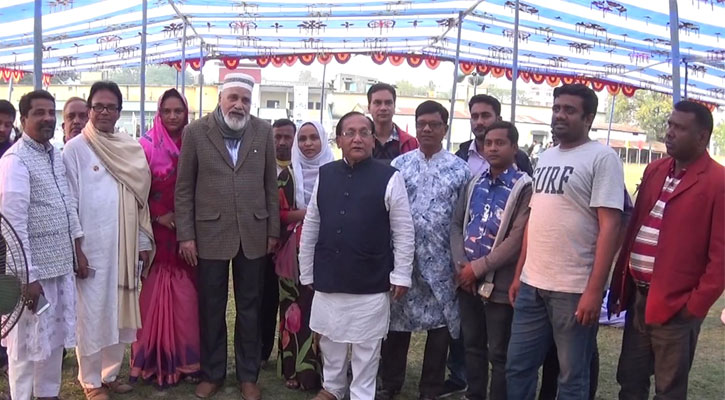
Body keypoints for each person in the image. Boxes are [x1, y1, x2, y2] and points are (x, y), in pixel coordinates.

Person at [506, 84, 624, 400]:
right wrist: (519, 274)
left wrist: (594, 291)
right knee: (518, 367)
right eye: (557, 108)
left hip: (573, 290)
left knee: (571, 377)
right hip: (532, 285)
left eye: (569, 110)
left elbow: (610, 227)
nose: (559, 115)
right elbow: (535, 218)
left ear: (589, 118)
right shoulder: (546, 156)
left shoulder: (603, 158)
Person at [608, 101, 724, 400]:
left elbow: (721, 259)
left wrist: (693, 308)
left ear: (702, 136)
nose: (669, 132)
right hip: (639, 297)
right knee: (630, 381)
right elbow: (636, 226)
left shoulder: (718, 182)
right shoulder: (656, 170)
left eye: (679, 128)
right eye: (670, 124)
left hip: (676, 306)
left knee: (669, 390)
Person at [175, 73, 279, 400]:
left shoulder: (263, 131)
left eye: (245, 99)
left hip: (254, 233)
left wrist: (273, 231)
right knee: (211, 307)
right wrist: (186, 236)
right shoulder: (196, 132)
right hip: (209, 234)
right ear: (220, 98)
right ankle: (212, 373)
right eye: (233, 97)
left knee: (250, 308)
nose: (239, 105)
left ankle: (248, 376)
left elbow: (270, 186)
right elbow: (184, 188)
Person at [299, 111, 414, 400]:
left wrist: (401, 274)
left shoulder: (390, 177)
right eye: (349, 133)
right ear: (338, 140)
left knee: (367, 345)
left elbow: (403, 230)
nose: (357, 138)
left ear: (373, 140)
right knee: (330, 338)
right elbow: (312, 223)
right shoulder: (326, 174)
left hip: (370, 276)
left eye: (364, 132)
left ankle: (362, 393)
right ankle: (333, 388)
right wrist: (307, 270)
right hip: (329, 273)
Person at [64, 81, 155, 400]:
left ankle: (110, 374)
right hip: (91, 248)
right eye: (98, 106)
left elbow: (139, 200)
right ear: (89, 110)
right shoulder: (75, 149)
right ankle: (90, 381)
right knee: (92, 314)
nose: (104, 112)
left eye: (110, 107)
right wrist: (76, 249)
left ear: (119, 111)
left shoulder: (130, 147)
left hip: (124, 246)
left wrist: (142, 242)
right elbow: (70, 202)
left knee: (119, 311)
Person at [377, 101, 470, 400]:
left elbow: (464, 219)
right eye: (422, 124)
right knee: (397, 322)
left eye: (434, 124)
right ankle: (390, 382)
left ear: (445, 128)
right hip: (404, 259)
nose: (427, 129)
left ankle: (430, 388)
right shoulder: (399, 166)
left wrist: (460, 259)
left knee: (440, 325)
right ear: (415, 127)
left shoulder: (460, 170)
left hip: (442, 263)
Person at [0, 90, 82, 400]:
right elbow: (12, 225)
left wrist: (77, 249)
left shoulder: (54, 155)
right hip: (30, 274)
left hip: (59, 267)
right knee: (24, 346)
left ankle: (48, 394)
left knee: (52, 341)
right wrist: (27, 277)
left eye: (51, 112)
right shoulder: (15, 161)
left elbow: (68, 205)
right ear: (23, 120)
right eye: (39, 113)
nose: (48, 118)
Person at [449, 121, 532, 400]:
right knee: (472, 345)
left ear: (514, 147)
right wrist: (463, 266)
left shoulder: (523, 187)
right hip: (467, 280)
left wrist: (479, 268)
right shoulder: (475, 182)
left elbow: (517, 239)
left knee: (499, 352)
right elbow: (456, 224)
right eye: (488, 143)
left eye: (500, 143)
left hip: (500, 283)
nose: (493, 148)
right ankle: (474, 395)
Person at [129, 88, 200, 387]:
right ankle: (152, 360)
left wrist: (185, 223)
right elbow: (136, 190)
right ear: (159, 113)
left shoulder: (196, 144)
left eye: (178, 111)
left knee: (186, 298)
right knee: (153, 297)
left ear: (186, 113)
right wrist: (160, 216)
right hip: (156, 231)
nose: (173, 116)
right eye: (167, 111)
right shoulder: (144, 146)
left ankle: (186, 361)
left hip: (189, 232)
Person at [277, 120, 334, 391]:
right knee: (293, 310)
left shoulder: (335, 173)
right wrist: (310, 214)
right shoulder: (288, 175)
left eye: (313, 138)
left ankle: (323, 372)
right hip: (294, 254)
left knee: (323, 310)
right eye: (303, 139)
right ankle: (293, 368)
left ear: (323, 140)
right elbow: (278, 213)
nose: (308, 144)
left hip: (328, 252)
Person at [260, 119, 297, 367]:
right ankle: (262, 352)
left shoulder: (302, 169)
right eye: (277, 137)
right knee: (265, 299)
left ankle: (291, 355)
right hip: (265, 246)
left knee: (292, 303)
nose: (282, 142)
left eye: (287, 137)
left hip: (295, 247)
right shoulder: (260, 167)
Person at [455, 94, 533, 177]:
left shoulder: (519, 158)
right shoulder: (460, 156)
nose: (479, 122)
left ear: (498, 119)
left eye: (485, 116)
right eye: (475, 117)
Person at [367, 83, 418, 163]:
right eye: (377, 103)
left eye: (388, 103)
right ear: (369, 107)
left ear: (394, 107)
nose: (383, 108)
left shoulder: (410, 143)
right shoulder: (359, 141)